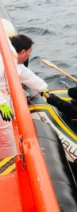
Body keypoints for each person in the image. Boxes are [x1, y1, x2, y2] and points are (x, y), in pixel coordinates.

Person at [0, 25, 49, 158]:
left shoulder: (14, 63)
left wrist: (43, 89)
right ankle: (7, 159)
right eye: (29, 53)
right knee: (6, 132)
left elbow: (28, 76)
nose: (29, 56)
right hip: (1, 101)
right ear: (22, 52)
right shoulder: (2, 62)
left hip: (5, 96)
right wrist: (1, 104)